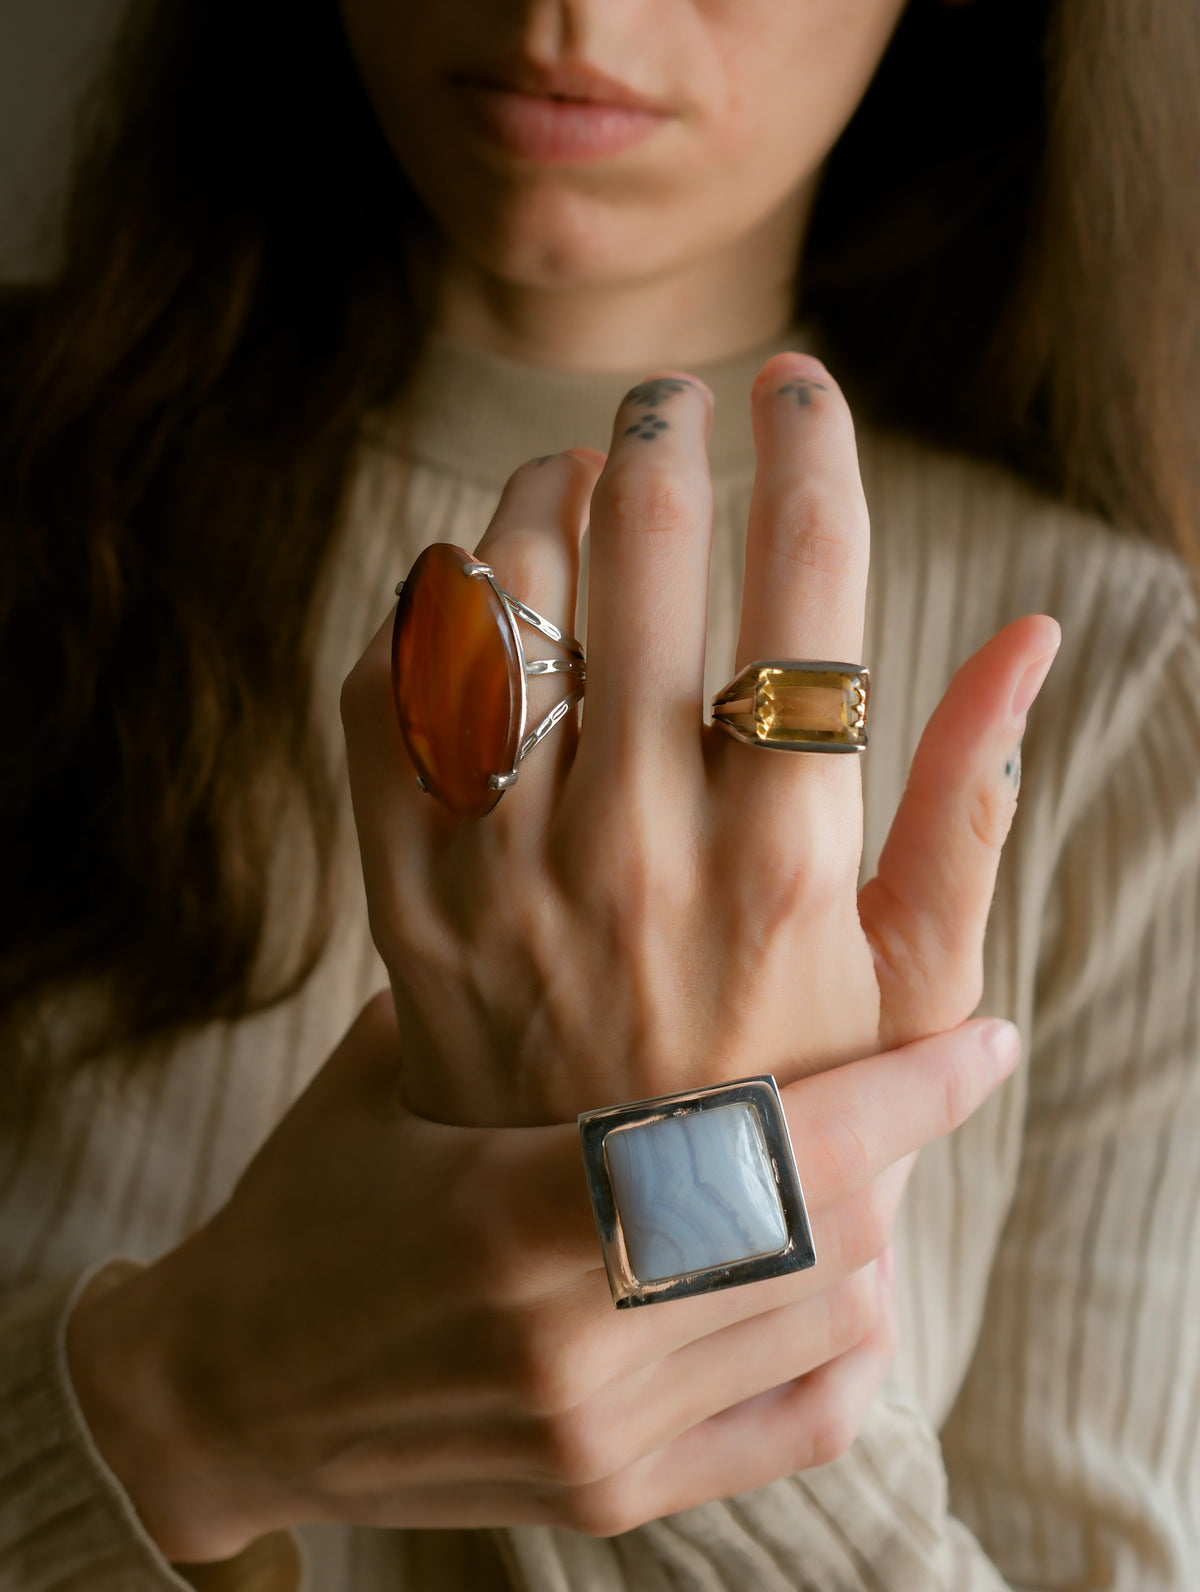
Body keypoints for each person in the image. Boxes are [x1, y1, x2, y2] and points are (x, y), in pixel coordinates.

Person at [1, 0, 1198, 1588]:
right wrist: (181, 1403)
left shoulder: (1121, 687)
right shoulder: (32, 481)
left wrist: (703, 1352)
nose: (571, 9)